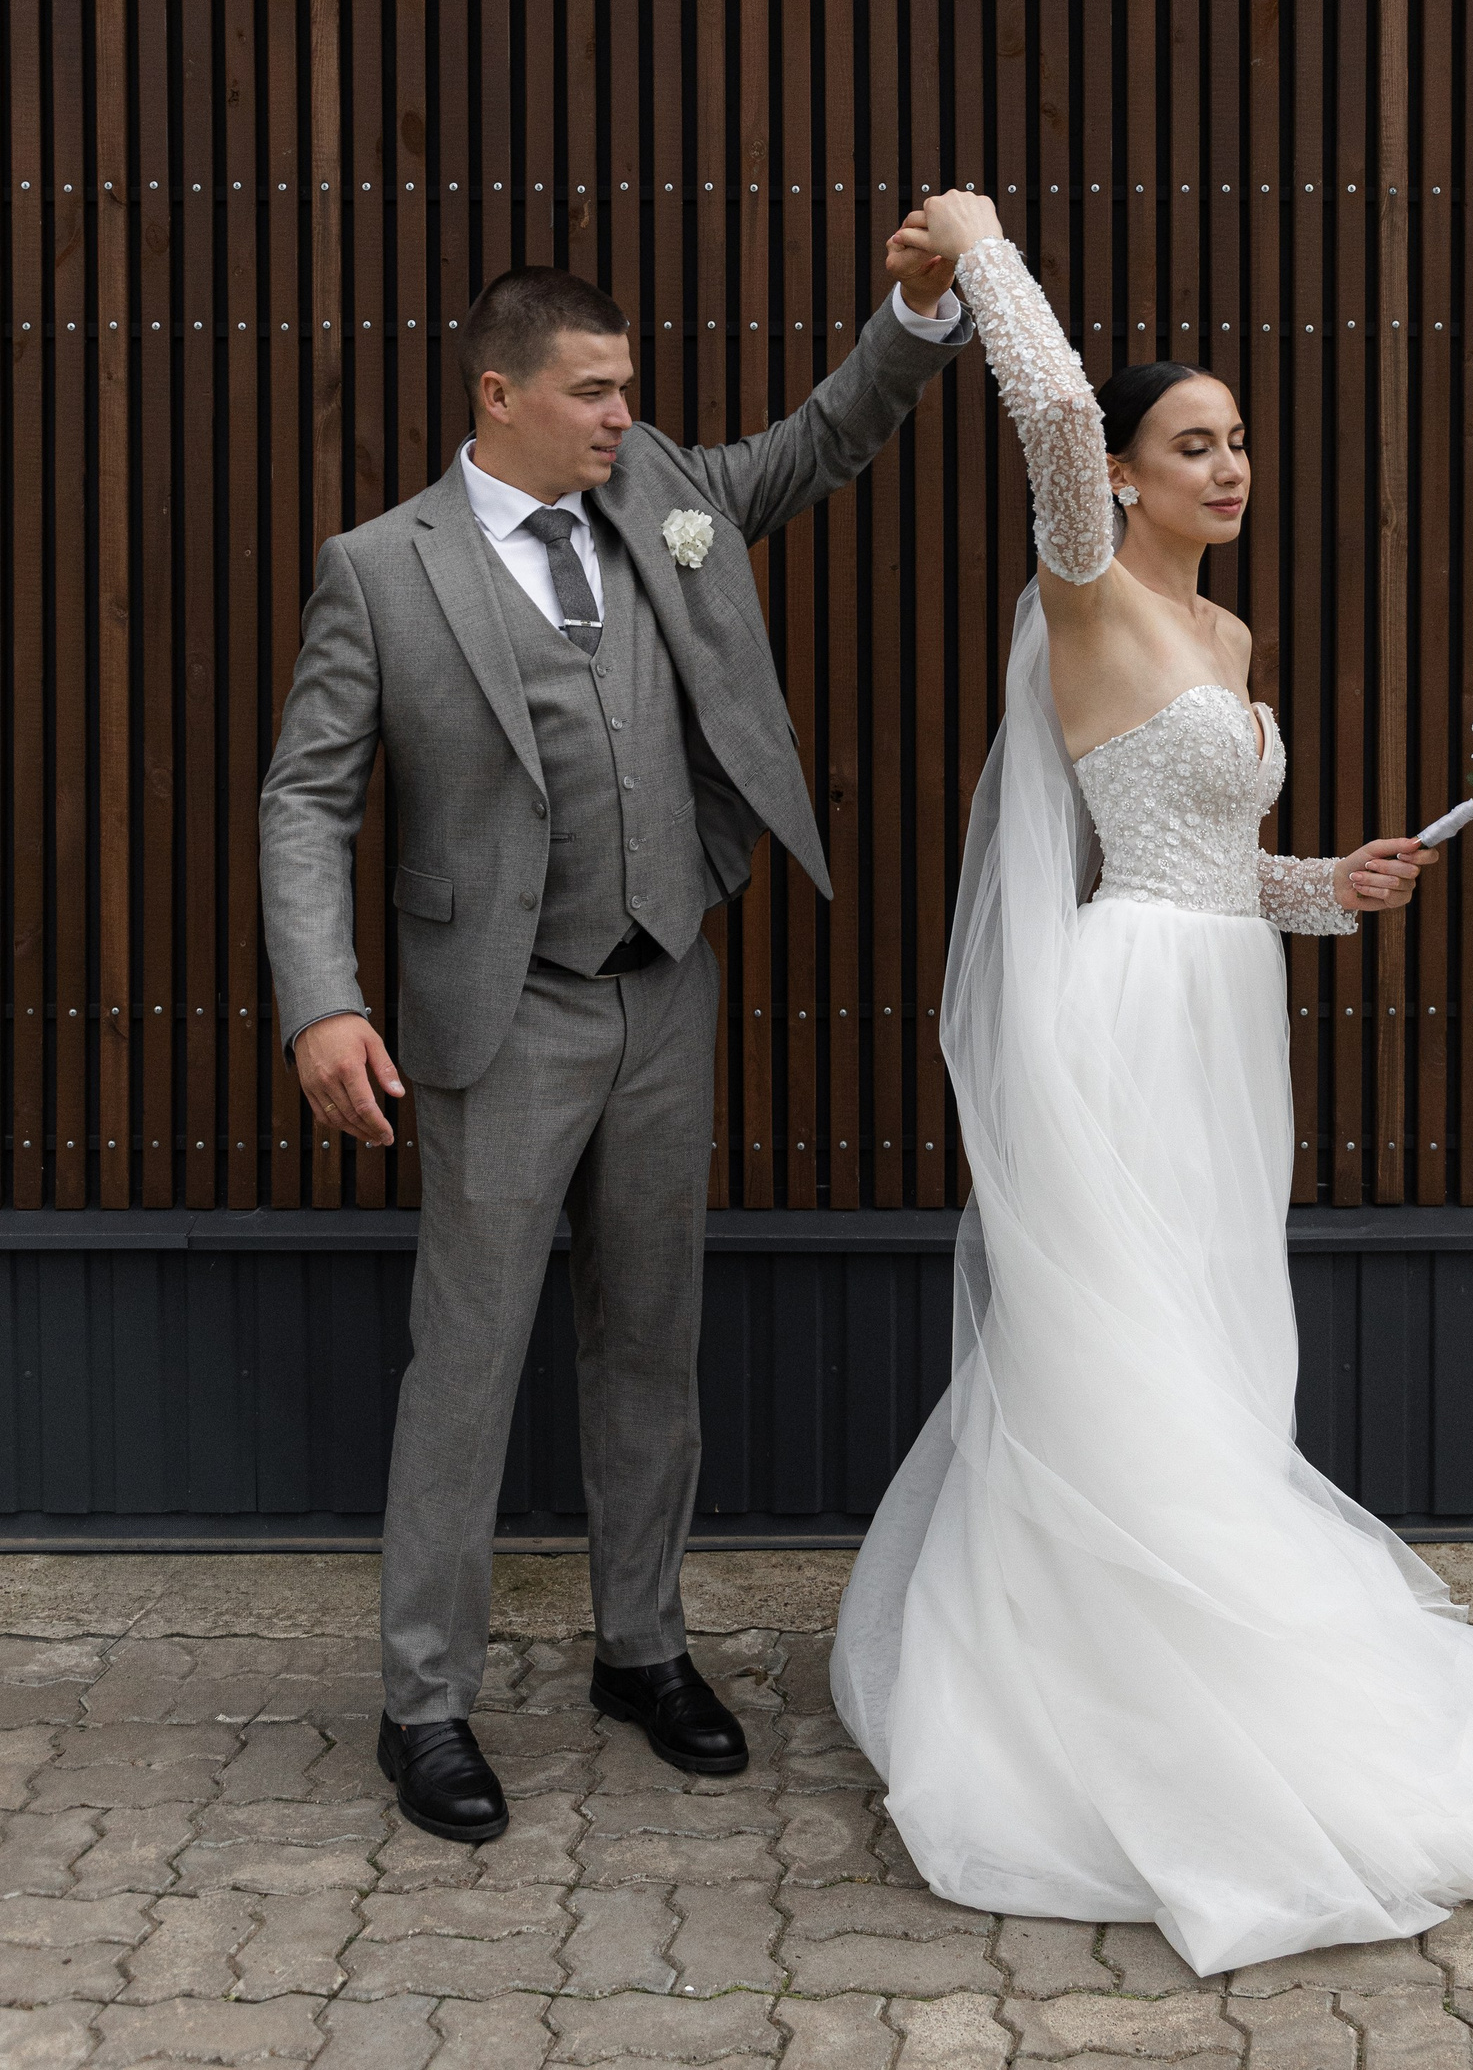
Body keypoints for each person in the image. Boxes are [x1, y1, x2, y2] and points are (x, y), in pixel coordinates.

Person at [831, 193, 1473, 1975]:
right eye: (1192, 444)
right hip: (1126, 1015)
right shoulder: (1085, 590)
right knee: (1121, 1340)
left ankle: (1203, 1638)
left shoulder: (1231, 646)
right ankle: (1112, 1699)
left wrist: (1332, 887)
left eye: (1236, 442)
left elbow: (1215, 867)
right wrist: (977, 245)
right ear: (1125, 478)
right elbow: (1053, 407)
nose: (1228, 467)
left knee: (1211, 1338)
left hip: (1224, 1009)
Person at [259, 240, 970, 1846]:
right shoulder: (380, 569)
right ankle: (423, 1700)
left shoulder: (660, 490)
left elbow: (822, 438)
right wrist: (323, 997)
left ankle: (640, 1646)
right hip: (500, 1009)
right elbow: (306, 798)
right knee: (469, 1359)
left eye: (628, 386)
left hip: (665, 987)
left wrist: (919, 314)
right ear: (497, 393)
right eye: (592, 390)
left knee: (649, 1338)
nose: (622, 414)